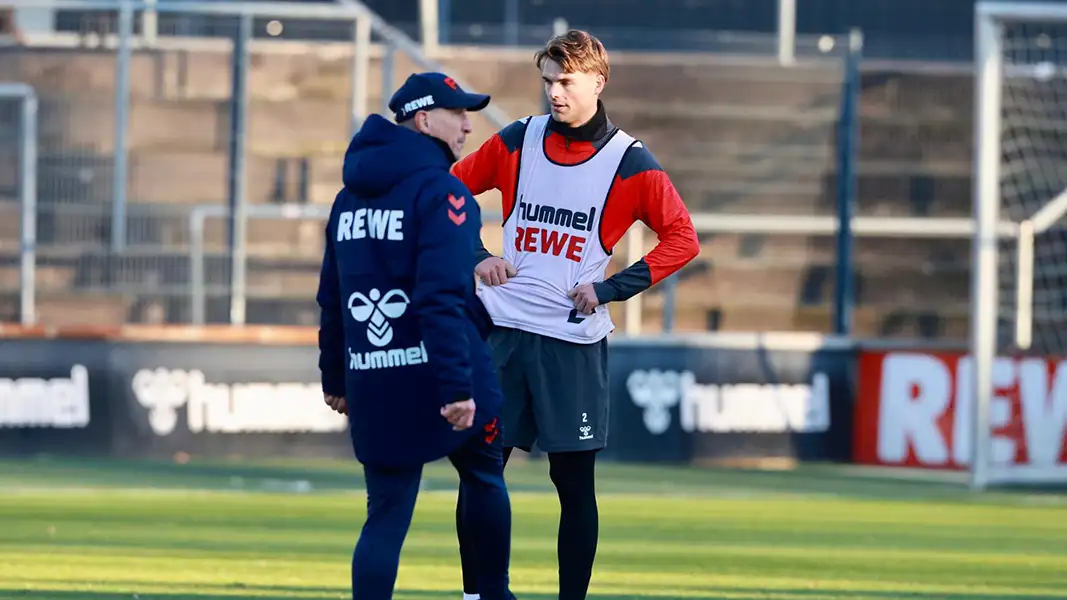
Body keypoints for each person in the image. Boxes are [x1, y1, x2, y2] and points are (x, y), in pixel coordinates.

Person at [452, 30, 701, 600]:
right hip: (505, 331)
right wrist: (477, 255)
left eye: (564, 81)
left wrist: (612, 288)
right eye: (546, 81)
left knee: (573, 481)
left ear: (598, 79)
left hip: (570, 341)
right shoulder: (520, 138)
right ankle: (479, 594)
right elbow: (445, 194)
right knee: (482, 466)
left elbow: (682, 239)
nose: (554, 93)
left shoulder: (629, 160)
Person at [316, 72, 518, 600]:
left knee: (384, 514)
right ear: (425, 120)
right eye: (458, 114)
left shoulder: (347, 198)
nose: (469, 126)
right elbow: (440, 296)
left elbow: (333, 297)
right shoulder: (442, 192)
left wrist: (335, 377)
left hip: (375, 377)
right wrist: (456, 386)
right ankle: (488, 595)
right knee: (484, 476)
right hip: (443, 372)